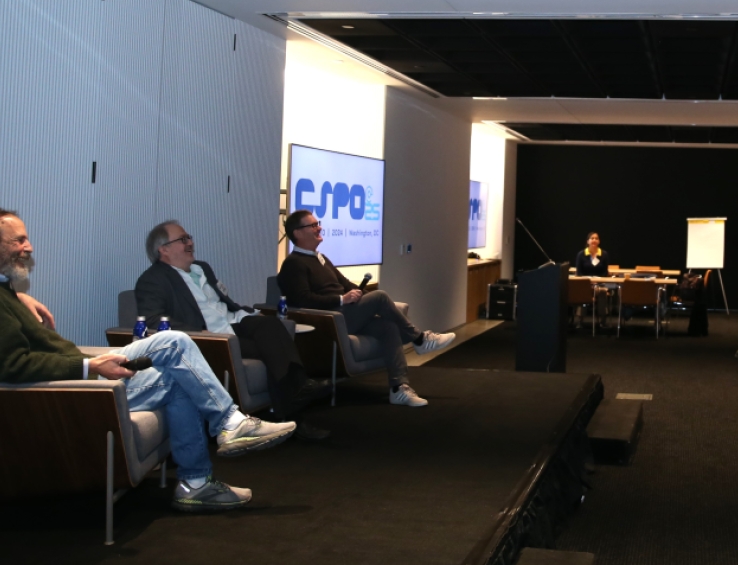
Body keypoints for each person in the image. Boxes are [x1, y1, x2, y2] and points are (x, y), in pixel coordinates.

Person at [0, 208, 296, 512]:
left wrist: (20, 296)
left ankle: (196, 483)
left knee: (180, 374)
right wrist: (89, 365)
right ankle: (229, 423)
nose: (29, 247)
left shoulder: (6, 290)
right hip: (75, 383)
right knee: (175, 341)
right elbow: (12, 364)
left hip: (77, 366)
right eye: (19, 241)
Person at [135, 221, 330, 440]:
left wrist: (248, 313)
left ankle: (295, 394)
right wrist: (197, 333)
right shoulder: (153, 279)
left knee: (270, 323)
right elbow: (152, 319)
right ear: (164, 249)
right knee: (271, 349)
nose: (190, 242)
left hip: (233, 322)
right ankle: (294, 411)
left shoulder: (202, 268)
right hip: (212, 336)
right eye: (183, 239)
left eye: (189, 237)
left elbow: (222, 302)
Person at [277, 210, 453, 407]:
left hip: (346, 314)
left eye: (317, 223)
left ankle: (398, 387)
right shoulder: (293, 264)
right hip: (330, 320)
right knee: (380, 296)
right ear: (298, 233)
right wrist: (342, 299)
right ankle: (420, 339)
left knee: (388, 327)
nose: (319, 227)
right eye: (312, 225)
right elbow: (302, 299)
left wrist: (357, 296)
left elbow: (344, 283)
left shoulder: (321, 258)